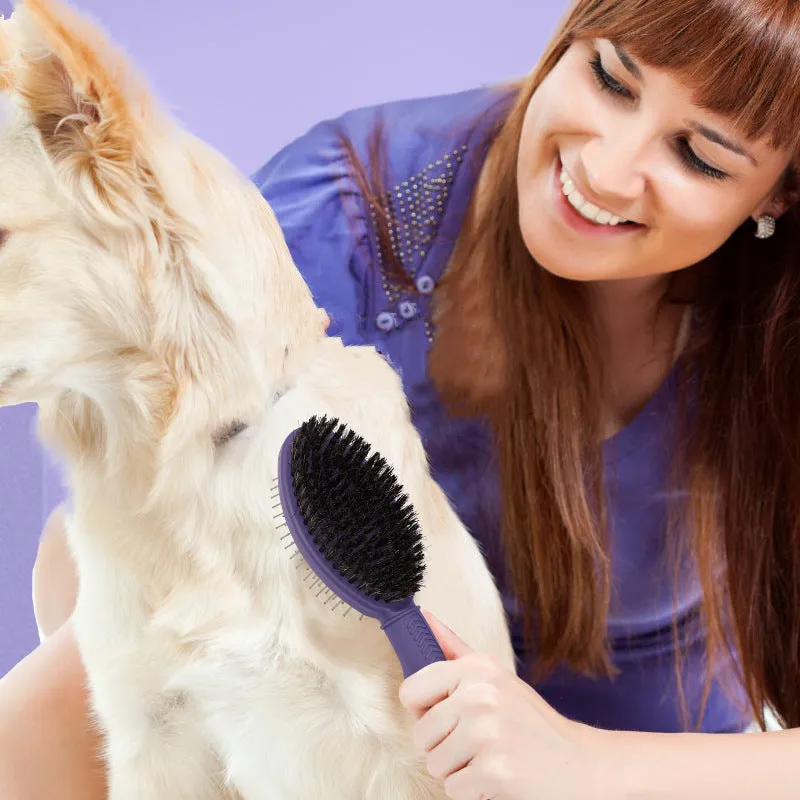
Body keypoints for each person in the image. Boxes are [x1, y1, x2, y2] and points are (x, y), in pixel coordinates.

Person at [4, 0, 800, 796]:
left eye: (699, 156)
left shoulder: (775, 330)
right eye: (607, 77)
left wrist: (582, 764)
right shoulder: (343, 228)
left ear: (782, 192)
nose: (604, 169)